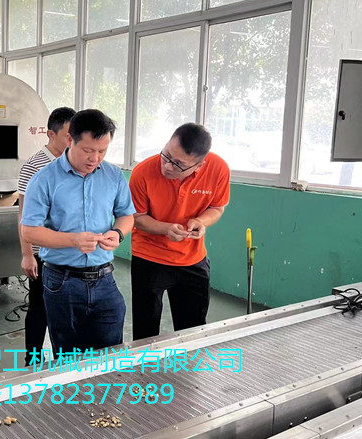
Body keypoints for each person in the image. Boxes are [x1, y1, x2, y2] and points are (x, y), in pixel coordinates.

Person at [21, 109, 135, 356]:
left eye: (102, 151)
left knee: (110, 355)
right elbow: (29, 231)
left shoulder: (113, 175)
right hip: (62, 281)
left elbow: (127, 215)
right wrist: (73, 240)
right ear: (70, 139)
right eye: (88, 150)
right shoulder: (44, 179)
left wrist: (118, 233)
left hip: (105, 278)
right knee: (68, 357)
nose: (95, 158)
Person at [129, 123, 230, 340]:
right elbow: (137, 218)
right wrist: (166, 229)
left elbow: (217, 208)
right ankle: (145, 363)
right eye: (166, 155)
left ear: (200, 165)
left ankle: (188, 364)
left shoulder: (218, 169)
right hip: (149, 257)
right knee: (145, 331)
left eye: (178, 164)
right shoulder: (143, 172)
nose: (167, 166)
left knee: (193, 329)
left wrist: (201, 221)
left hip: (192, 259)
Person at [18, 106, 75, 366]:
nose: (73, 140)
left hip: (69, 251)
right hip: (43, 252)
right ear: (51, 134)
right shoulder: (34, 166)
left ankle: (66, 361)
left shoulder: (76, 162)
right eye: (68, 135)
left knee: (66, 308)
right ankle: (32, 360)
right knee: (39, 307)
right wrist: (27, 254)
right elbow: (23, 216)